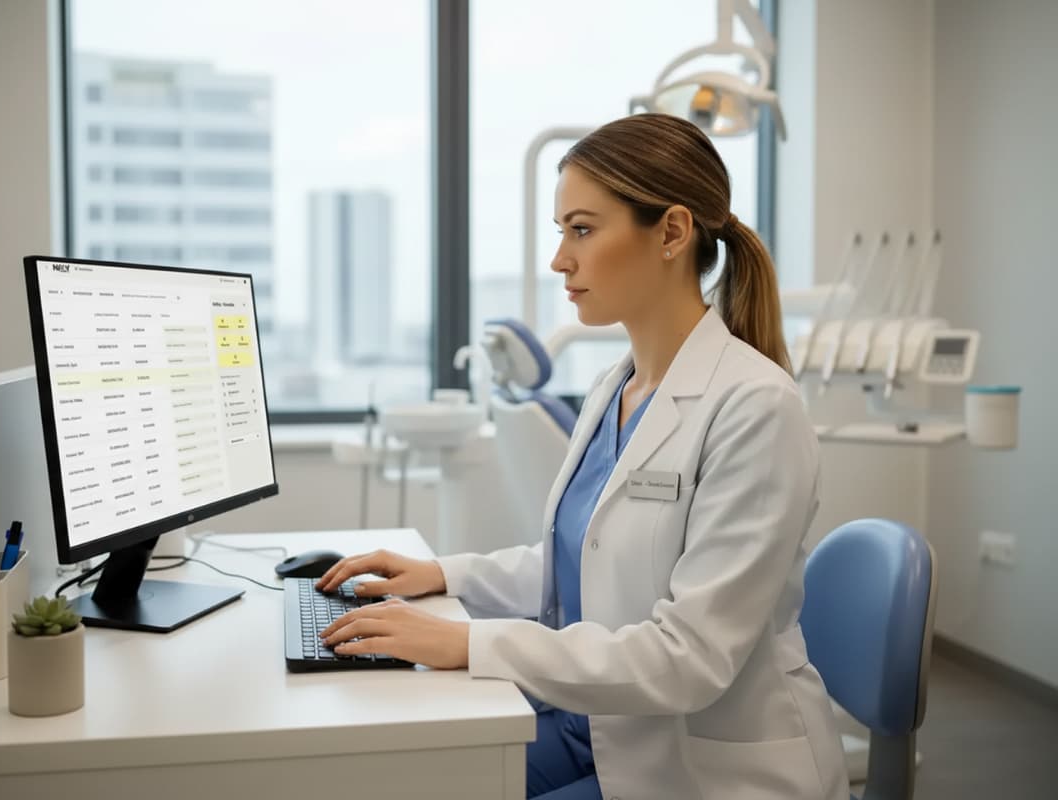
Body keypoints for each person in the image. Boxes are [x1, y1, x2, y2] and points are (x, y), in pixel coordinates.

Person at [317, 113, 848, 800]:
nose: (559, 260)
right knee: (407, 776)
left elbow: (689, 658)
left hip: (701, 769)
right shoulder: (616, 388)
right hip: (596, 727)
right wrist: (441, 574)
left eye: (582, 229)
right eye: (562, 232)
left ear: (672, 232)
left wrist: (470, 644)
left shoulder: (756, 409)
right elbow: (584, 560)